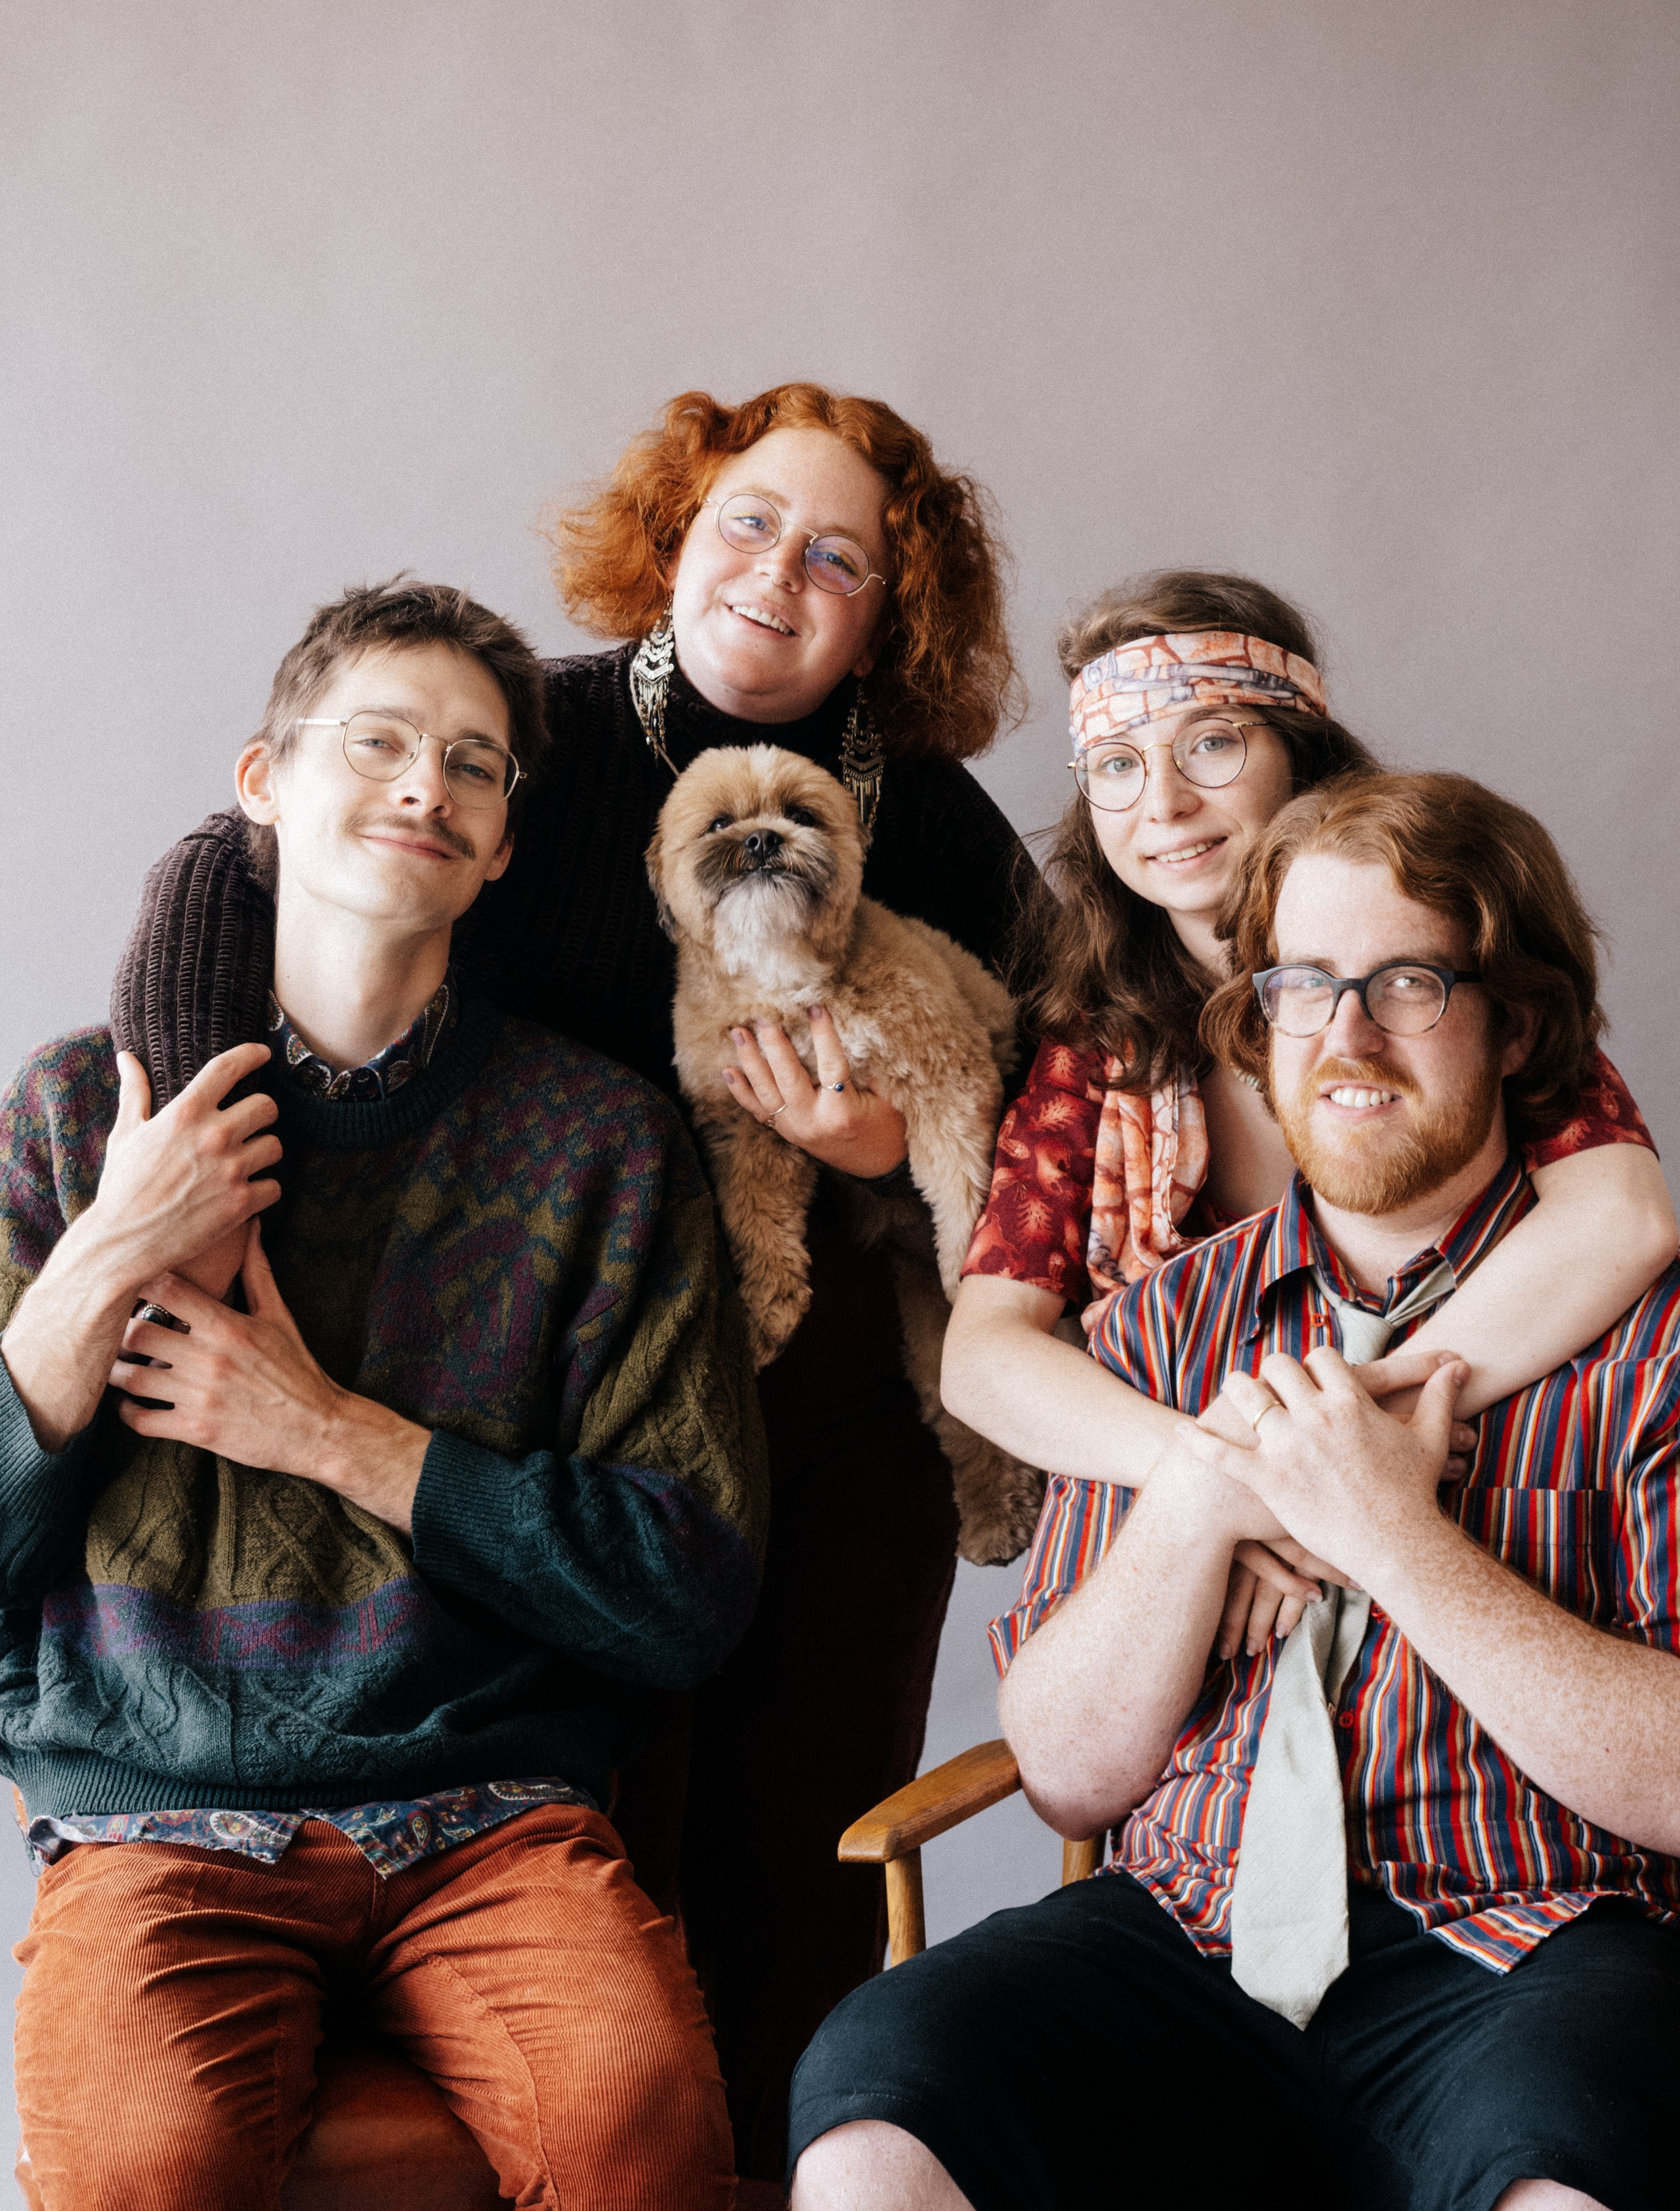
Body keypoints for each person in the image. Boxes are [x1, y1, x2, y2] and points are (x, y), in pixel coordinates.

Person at [104, 384, 1036, 2177]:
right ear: (678, 530)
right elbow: (229, 864)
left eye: (840, 557)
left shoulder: (932, 821)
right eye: (750, 522)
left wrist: (884, 1175)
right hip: (557, 1352)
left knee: (797, 1853)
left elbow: (1034, 1110)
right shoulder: (522, 730)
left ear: (889, 609)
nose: (781, 575)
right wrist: (194, 1170)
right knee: (587, 1824)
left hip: (824, 1391)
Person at [789, 769, 1680, 2211]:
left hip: (1531, 1946)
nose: (1343, 1035)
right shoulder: (1152, 1336)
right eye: (1300, 985)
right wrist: (1201, 1498)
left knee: (1570, 2166)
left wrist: (1387, 1533)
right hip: (1182, 1940)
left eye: (1404, 982)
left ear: (1514, 1024)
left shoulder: (1650, 1336)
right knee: (880, 2100)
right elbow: (1072, 1773)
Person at [0, 581, 766, 2209]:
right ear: (265, 779)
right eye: (381, 742)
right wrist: (115, 1248)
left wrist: (326, 1434)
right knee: (141, 2167)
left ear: (499, 851)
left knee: (639, 2132)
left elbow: (681, 1585)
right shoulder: (77, 1109)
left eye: (473, 767)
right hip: (162, 1814)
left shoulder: (600, 1145)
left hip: (485, 1811)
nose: (427, 785)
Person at [946, 570, 1675, 1655]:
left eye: (1212, 742)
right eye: (1116, 764)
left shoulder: (1438, 979)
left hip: (1496, 1520)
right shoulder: (1097, 1056)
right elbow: (985, 1353)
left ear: (1302, 752)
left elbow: (1624, 1221)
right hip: (1218, 1578)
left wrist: (1347, 1445)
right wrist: (1235, 1480)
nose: (1164, 804)